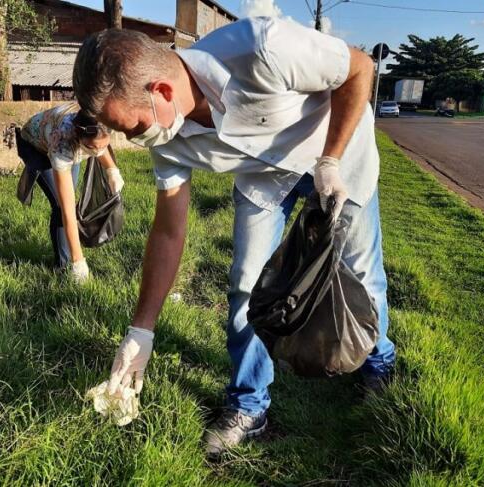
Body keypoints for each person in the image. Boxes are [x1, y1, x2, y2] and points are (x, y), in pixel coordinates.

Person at [72, 17, 396, 455]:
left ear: (162, 92)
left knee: (359, 271)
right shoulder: (165, 138)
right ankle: (249, 405)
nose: (132, 139)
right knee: (246, 285)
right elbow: (169, 231)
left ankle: (379, 366)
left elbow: (359, 69)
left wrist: (330, 161)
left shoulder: (262, 47)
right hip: (265, 180)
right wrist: (141, 331)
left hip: (337, 151)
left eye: (130, 128)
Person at [16, 103, 124, 283]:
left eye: (101, 147)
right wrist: (79, 260)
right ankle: (65, 266)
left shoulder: (95, 122)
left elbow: (99, 145)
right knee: (61, 207)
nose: (96, 153)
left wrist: (112, 170)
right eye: (91, 148)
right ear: (79, 137)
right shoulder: (63, 146)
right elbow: (68, 210)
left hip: (65, 137)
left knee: (69, 200)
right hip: (35, 145)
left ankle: (69, 256)